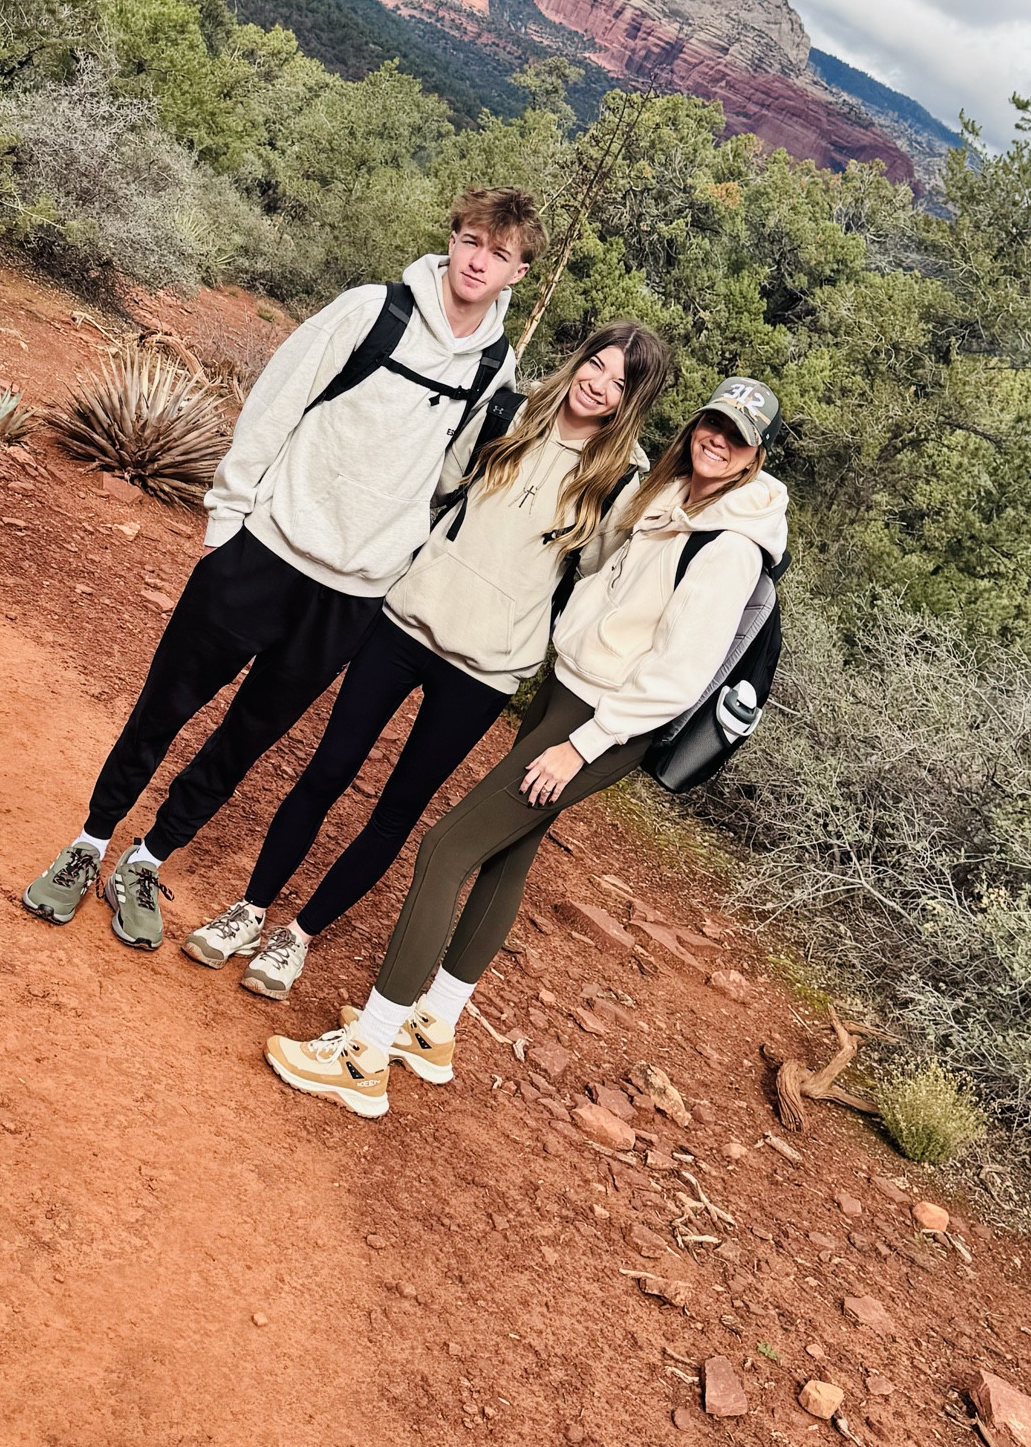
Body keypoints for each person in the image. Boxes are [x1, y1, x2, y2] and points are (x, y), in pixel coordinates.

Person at [23, 188, 547, 949]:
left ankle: (149, 858)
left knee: (245, 739)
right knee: (164, 707)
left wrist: (394, 554)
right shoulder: (373, 311)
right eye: (471, 240)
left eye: (499, 253)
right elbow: (277, 401)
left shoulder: (495, 368)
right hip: (263, 552)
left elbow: (446, 478)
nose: (478, 260)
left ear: (519, 273)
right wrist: (227, 524)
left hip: (352, 595)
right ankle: (89, 843)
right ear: (453, 238)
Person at [264, 376, 789, 1117]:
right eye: (713, 423)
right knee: (509, 853)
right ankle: (433, 1026)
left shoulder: (730, 545)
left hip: (602, 719)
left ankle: (366, 1054)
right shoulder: (676, 502)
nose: (717, 440)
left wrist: (584, 745)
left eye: (736, 437)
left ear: (752, 457)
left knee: (447, 848)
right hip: (572, 690)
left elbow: (677, 677)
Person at [179, 321, 674, 998]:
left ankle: (297, 938)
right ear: (580, 359)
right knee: (326, 770)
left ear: (632, 402)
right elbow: (438, 487)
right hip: (405, 622)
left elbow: (596, 574)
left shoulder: (621, 481)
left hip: (486, 670)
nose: (600, 386)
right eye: (599, 365)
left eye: (621, 384)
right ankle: (252, 908)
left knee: (397, 811)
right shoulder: (509, 410)